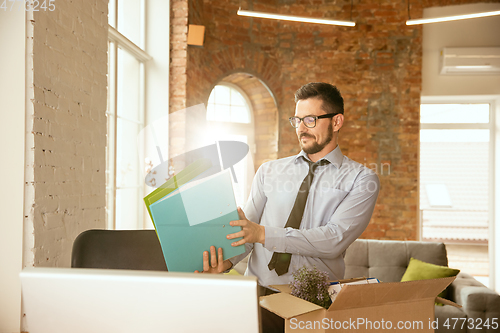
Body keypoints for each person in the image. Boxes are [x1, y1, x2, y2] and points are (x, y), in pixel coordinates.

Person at [195, 82, 380, 332]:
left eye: (311, 120)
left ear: (336, 122)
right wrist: (225, 263)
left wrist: (263, 233)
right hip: (257, 297)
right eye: (297, 120)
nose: (301, 129)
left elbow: (334, 239)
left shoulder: (361, 179)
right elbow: (246, 233)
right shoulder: (269, 171)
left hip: (313, 303)